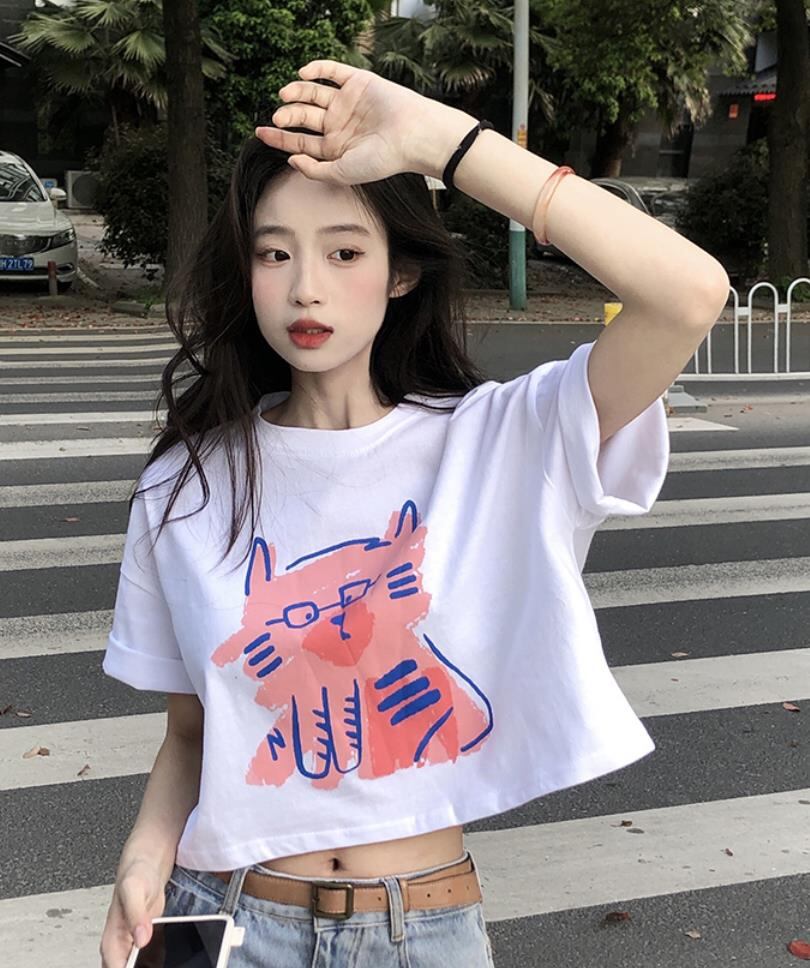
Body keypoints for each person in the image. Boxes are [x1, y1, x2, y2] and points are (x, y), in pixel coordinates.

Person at [98, 59, 729, 968]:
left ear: (399, 273)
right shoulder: (186, 483)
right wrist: (141, 860)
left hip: (418, 932)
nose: (306, 288)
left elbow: (689, 293)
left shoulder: (501, 441)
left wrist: (441, 141)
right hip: (225, 917)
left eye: (345, 252)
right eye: (275, 253)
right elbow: (192, 732)